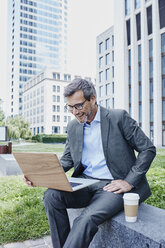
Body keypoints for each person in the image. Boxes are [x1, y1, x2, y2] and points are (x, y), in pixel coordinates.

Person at [25, 78, 156, 248]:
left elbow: (148, 149)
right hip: (85, 183)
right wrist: (40, 175)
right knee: (51, 196)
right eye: (70, 107)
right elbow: (68, 159)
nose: (74, 112)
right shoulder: (73, 126)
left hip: (113, 186)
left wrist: (129, 181)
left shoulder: (118, 117)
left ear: (92, 99)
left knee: (85, 219)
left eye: (79, 105)